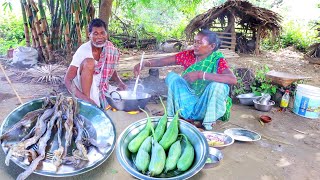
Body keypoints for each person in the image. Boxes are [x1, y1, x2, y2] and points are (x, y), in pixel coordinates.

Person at [133, 29, 237, 130]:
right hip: (187, 99)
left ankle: (207, 123)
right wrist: (145, 63)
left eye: (199, 43)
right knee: (172, 77)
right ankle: (176, 115)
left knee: (219, 86)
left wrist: (201, 75)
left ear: (212, 46)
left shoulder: (217, 60)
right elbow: (165, 61)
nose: (195, 45)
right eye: (194, 42)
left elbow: (232, 79)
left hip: (206, 102)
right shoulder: (188, 55)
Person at [64, 18, 126, 108]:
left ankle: (98, 99)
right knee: (89, 62)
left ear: (106, 34)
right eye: (95, 34)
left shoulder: (109, 48)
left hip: (102, 86)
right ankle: (88, 103)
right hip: (84, 89)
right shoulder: (83, 50)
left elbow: (110, 68)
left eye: (102, 33)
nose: (100, 37)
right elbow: (67, 80)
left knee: (123, 96)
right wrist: (84, 98)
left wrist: (119, 82)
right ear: (89, 35)